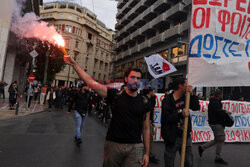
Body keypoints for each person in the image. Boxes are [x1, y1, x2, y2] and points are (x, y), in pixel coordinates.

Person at [64, 56, 150, 167]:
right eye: (132, 77)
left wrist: (147, 153)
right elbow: (90, 82)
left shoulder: (145, 101)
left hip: (136, 147)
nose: (135, 81)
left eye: (138, 78)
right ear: (126, 79)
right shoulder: (115, 95)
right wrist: (75, 64)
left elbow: (146, 128)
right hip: (113, 145)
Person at [161, 78, 200, 167]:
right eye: (186, 84)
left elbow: (196, 107)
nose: (189, 86)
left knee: (189, 163)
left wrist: (192, 94)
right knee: (169, 163)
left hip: (185, 136)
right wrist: (180, 113)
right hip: (172, 137)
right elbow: (166, 118)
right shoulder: (167, 100)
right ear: (180, 85)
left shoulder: (186, 98)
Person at [198, 89, 229, 165]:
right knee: (221, 139)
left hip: (214, 123)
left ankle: (202, 147)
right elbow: (218, 112)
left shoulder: (214, 102)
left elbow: (217, 111)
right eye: (221, 94)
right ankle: (218, 157)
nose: (222, 96)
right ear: (218, 95)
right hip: (216, 123)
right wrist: (225, 112)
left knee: (217, 139)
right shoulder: (215, 102)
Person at [143, 87, 160, 164]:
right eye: (153, 91)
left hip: (149, 121)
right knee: (149, 138)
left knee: (150, 138)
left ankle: (149, 154)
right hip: (146, 122)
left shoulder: (150, 99)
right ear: (150, 92)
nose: (154, 92)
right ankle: (149, 155)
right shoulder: (145, 100)